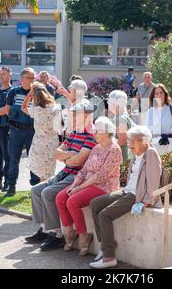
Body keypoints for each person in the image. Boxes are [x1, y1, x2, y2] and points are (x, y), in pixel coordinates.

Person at [25, 101, 97, 251]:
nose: (74, 118)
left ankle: (57, 235)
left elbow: (78, 161)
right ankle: (44, 229)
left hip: (78, 175)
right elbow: (57, 152)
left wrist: (68, 157)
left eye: (77, 115)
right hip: (66, 171)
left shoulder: (91, 135)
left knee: (47, 193)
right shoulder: (76, 132)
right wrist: (70, 155)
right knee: (36, 190)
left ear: (87, 116)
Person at [89, 126, 162, 269]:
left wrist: (146, 201)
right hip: (127, 191)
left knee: (105, 215)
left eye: (132, 141)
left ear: (144, 141)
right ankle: (105, 246)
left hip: (137, 195)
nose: (129, 144)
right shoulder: (137, 153)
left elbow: (154, 181)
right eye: (129, 141)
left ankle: (109, 257)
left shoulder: (151, 154)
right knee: (95, 204)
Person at [56, 117, 122, 256]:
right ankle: (70, 232)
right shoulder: (97, 148)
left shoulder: (114, 149)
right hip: (87, 182)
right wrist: (73, 185)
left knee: (72, 201)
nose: (94, 134)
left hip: (104, 186)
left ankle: (84, 237)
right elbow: (84, 170)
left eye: (96, 132)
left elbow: (101, 175)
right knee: (61, 197)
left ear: (105, 132)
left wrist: (79, 188)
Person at [0, 67, 36, 197]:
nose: (32, 80)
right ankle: (11, 186)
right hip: (16, 130)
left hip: (32, 131)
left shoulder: (38, 93)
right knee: (14, 159)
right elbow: (7, 109)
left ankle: (35, 187)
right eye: (29, 78)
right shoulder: (14, 92)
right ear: (22, 79)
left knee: (34, 159)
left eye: (33, 78)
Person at [22, 82, 62, 186]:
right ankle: (45, 192)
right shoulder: (56, 108)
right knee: (49, 171)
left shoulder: (36, 110)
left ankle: (42, 192)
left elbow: (23, 107)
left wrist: (29, 95)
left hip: (39, 142)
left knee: (41, 172)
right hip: (52, 141)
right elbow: (59, 128)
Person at [108, 90, 135, 162]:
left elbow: (122, 140)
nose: (109, 104)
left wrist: (107, 149)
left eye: (110, 102)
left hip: (122, 156)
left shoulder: (121, 118)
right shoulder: (118, 117)